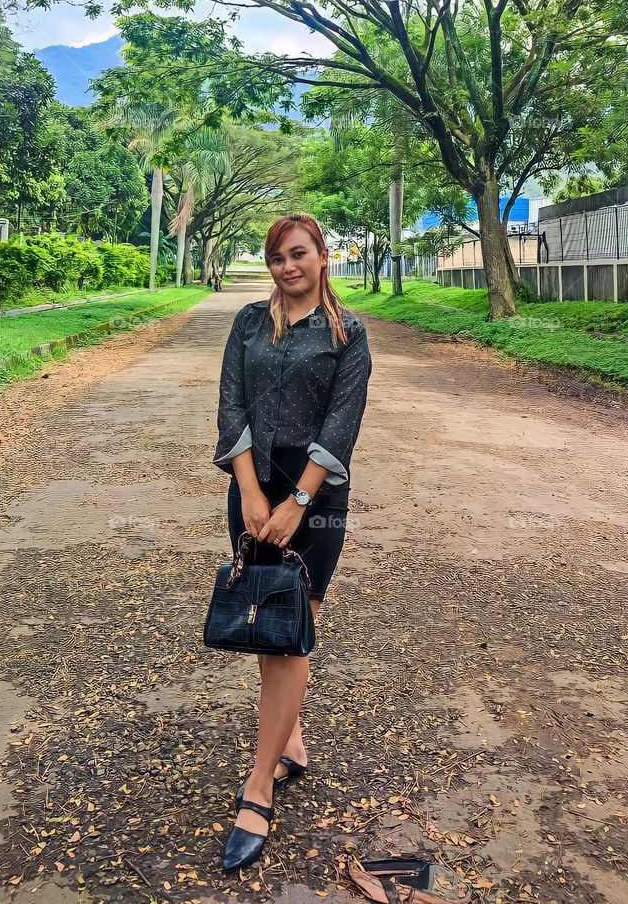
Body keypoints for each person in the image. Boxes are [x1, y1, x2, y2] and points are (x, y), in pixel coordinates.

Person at [212, 213, 372, 871]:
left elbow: (341, 426)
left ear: (322, 257)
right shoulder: (249, 322)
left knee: (293, 623)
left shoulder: (348, 334)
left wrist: (298, 501)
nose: (287, 267)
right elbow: (230, 409)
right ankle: (292, 742)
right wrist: (251, 492)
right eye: (277, 257)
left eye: (298, 254)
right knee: (267, 622)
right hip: (252, 487)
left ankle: (258, 786)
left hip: (316, 498)